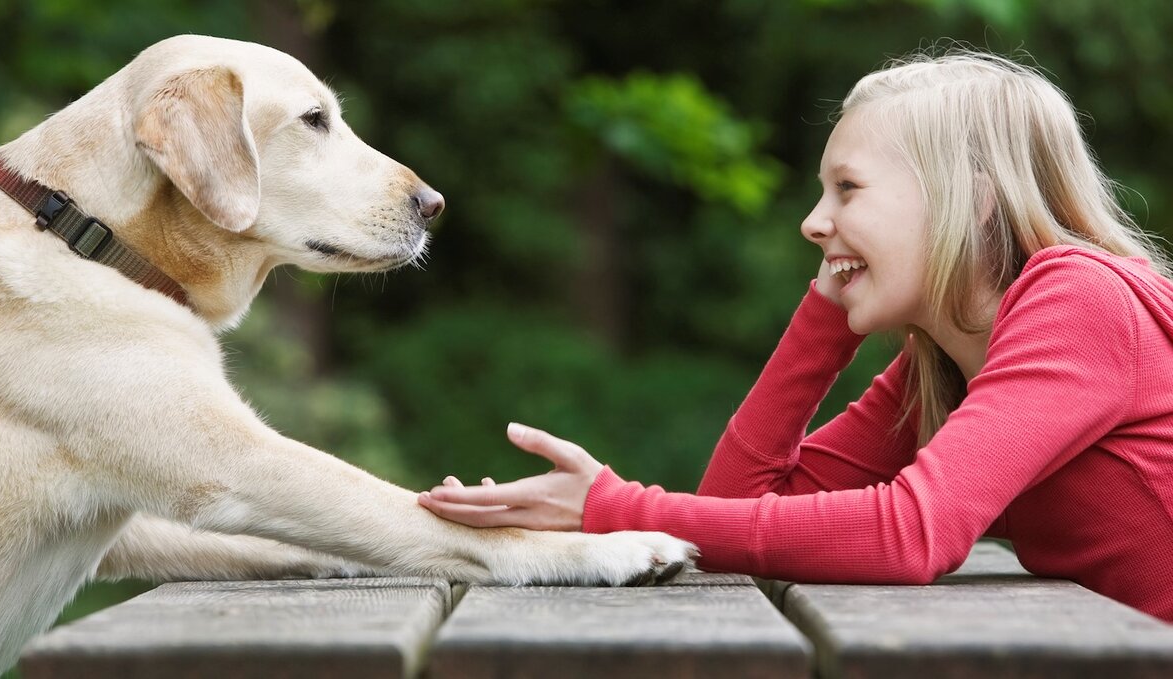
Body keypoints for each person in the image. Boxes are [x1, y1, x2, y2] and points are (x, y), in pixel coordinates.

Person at [417, 49, 1173, 622]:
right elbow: (738, 505)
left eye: (847, 188)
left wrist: (614, 509)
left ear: (970, 199)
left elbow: (910, 534)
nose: (813, 220)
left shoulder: (1079, 297)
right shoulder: (942, 365)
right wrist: (825, 315)